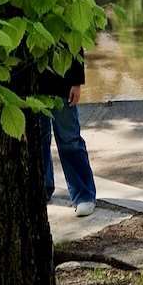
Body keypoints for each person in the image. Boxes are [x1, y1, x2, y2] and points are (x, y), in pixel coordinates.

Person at [39, 56, 97, 217]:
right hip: (32, 82)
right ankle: (41, 189)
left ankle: (84, 195)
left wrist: (76, 82)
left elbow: (75, 39)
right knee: (37, 139)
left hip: (62, 81)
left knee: (69, 139)